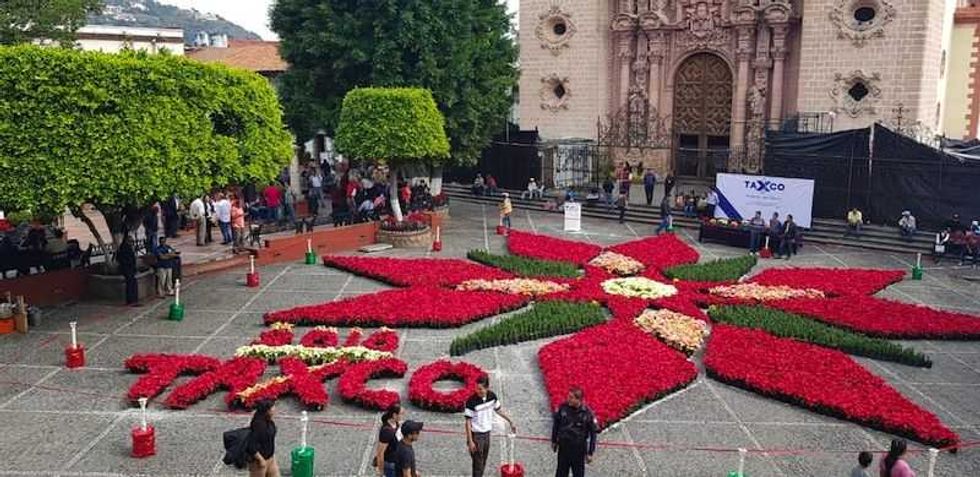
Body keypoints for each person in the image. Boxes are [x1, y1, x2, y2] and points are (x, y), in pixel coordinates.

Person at [464, 376, 516, 477]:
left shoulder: (492, 396)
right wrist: (470, 441)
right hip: (476, 436)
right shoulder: (471, 401)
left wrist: (510, 421)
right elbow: (468, 422)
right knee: (478, 464)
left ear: (487, 388)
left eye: (480, 389)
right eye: (476, 388)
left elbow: (499, 410)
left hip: (487, 434)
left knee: (483, 461)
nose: (477, 391)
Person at [551, 386, 598, 477]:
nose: (568, 399)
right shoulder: (563, 408)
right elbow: (556, 424)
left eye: (571, 397)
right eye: (568, 396)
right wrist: (554, 440)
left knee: (578, 474)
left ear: (579, 399)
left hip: (578, 450)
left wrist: (590, 452)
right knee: (561, 473)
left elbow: (593, 434)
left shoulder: (587, 413)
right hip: (564, 448)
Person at [247, 400, 280, 477]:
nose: (275, 409)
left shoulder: (269, 421)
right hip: (259, 462)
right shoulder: (258, 425)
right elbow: (251, 445)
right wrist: (261, 460)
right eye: (272, 407)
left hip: (270, 458)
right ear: (267, 410)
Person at [375, 404, 403, 477]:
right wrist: (380, 471)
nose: (402, 416)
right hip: (390, 463)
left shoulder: (396, 424)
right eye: (401, 414)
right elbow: (380, 452)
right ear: (394, 415)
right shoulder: (387, 431)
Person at [117, 233, 139, 306]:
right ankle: (131, 300)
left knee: (133, 284)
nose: (132, 243)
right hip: (127, 269)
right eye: (130, 241)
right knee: (130, 284)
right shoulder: (124, 248)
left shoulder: (129, 247)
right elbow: (122, 259)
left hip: (131, 269)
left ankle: (134, 299)